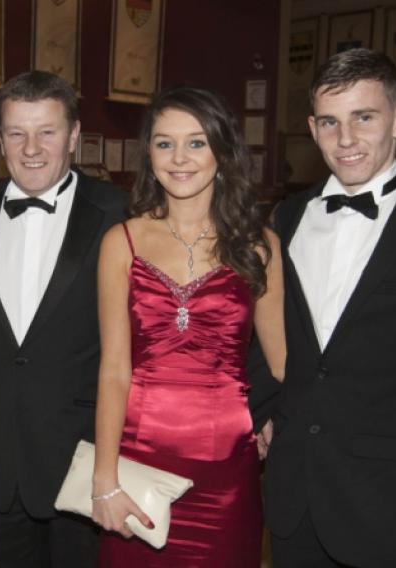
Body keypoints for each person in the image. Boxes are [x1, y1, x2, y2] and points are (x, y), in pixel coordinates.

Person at [250, 48, 396, 568]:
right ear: (311, 128)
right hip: (295, 504)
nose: (346, 139)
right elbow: (270, 339)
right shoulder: (286, 218)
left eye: (364, 117)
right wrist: (263, 407)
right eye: (330, 122)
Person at [91, 85, 285, 566]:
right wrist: (104, 478)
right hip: (137, 467)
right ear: (149, 154)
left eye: (196, 142)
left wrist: (279, 419)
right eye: (164, 143)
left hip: (228, 478)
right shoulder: (122, 242)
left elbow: (284, 366)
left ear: (223, 150)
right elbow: (114, 370)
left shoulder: (260, 246)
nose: (179, 158)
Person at [0, 71, 127, 568]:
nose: (31, 148)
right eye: (17, 133)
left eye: (47, 131)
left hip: (84, 462)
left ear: (73, 135)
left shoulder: (119, 215)